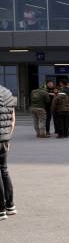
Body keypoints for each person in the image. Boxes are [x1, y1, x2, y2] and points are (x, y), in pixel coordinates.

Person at [0, 84, 16, 220]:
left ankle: (1, 210)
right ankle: (10, 205)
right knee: (4, 170)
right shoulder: (7, 92)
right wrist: (8, 137)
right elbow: (12, 118)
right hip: (4, 137)